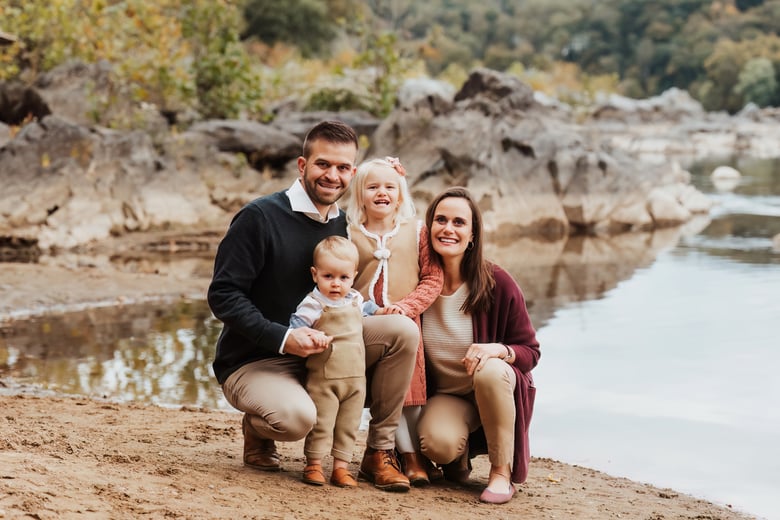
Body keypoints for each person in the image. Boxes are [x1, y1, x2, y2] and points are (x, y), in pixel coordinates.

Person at [207, 120, 418, 493]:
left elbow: (390, 239)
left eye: (342, 168)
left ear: (352, 173)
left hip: (325, 352)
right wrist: (285, 338)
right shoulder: (259, 218)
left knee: (401, 331)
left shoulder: (342, 224)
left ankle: (379, 452)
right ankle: (257, 429)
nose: (332, 176)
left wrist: (376, 310)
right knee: (297, 420)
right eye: (323, 164)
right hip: (256, 359)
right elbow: (223, 296)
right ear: (302, 166)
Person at [417, 186, 540, 504]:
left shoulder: (497, 282)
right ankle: (458, 458)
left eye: (459, 222)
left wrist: (499, 349)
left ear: (472, 235)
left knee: (491, 371)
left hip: (493, 387)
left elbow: (531, 352)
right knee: (438, 445)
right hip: (449, 396)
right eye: (440, 220)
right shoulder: (417, 284)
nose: (448, 228)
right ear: (428, 226)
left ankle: (501, 473)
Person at [345, 156, 443, 487]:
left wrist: (405, 307)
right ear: (360, 194)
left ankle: (410, 453)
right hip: (364, 324)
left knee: (410, 390)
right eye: (372, 187)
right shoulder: (350, 234)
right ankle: (403, 454)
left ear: (400, 195)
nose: (381, 193)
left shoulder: (417, 231)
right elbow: (340, 284)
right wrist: (367, 310)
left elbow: (432, 279)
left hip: (405, 320)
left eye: (390, 187)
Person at [289, 236, 378, 488]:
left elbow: (369, 309)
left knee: (349, 424)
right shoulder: (313, 304)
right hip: (323, 379)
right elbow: (296, 328)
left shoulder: (355, 300)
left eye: (343, 278)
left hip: (355, 380)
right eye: (329, 277)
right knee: (322, 423)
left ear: (354, 276)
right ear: (315, 274)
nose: (336, 284)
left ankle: (341, 467)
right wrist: (309, 335)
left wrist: (384, 310)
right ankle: (313, 464)